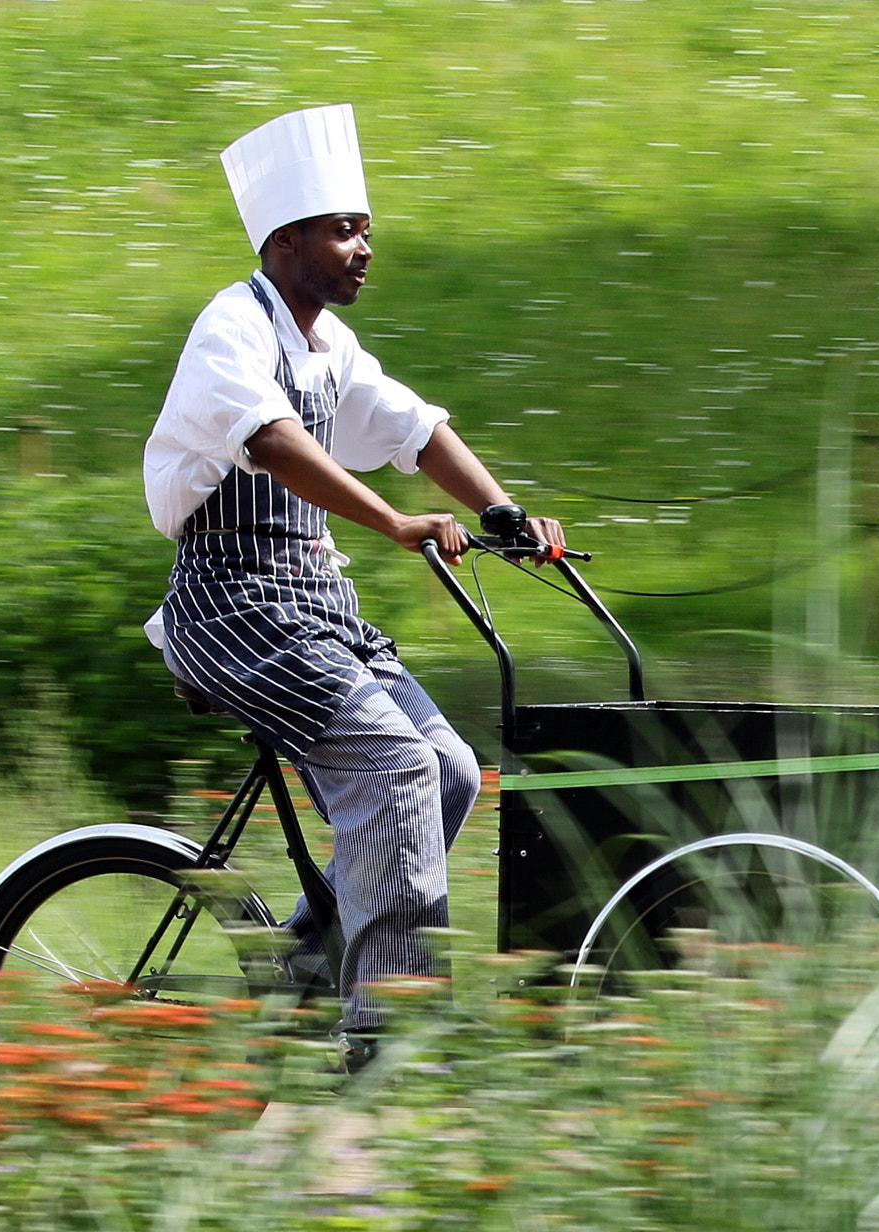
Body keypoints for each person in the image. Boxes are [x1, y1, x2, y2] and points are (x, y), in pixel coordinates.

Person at [141, 104, 564, 1059]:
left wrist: (503, 514)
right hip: (233, 609)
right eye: (345, 229)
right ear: (285, 239)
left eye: (366, 227)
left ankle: (303, 963)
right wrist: (393, 522)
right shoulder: (232, 328)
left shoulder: (330, 349)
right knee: (394, 767)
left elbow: (414, 429)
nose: (365, 246)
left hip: (312, 612)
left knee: (450, 770)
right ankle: (387, 1038)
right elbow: (272, 440)